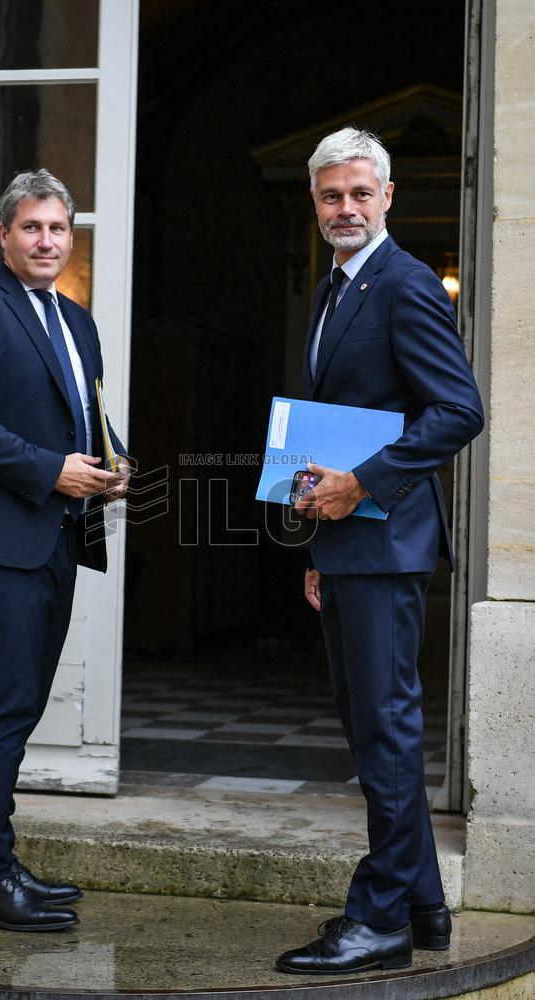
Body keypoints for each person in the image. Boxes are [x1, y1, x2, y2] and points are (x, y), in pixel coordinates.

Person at [275, 129, 484, 975]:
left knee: (386, 732)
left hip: (389, 539)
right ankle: (423, 906)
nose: (346, 209)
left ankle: (380, 919)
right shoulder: (333, 288)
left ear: (387, 196)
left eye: (361, 194)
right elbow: (330, 421)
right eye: (331, 197)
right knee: (374, 730)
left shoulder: (402, 284)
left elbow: (459, 410)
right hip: (348, 545)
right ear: (317, 203)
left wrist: (360, 487)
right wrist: (322, 542)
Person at [0, 169, 130, 932]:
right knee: (3, 706)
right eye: (32, 228)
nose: (47, 241)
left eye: (59, 229)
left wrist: (113, 462)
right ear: (5, 235)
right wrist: (52, 471)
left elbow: (84, 417)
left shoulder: (77, 323)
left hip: (57, 536)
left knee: (20, 704)